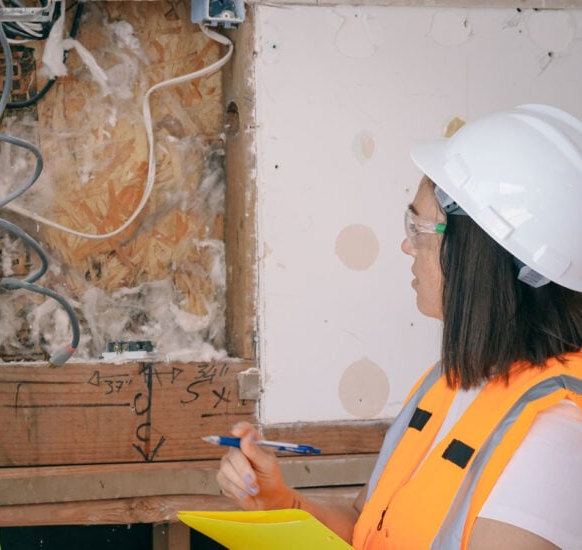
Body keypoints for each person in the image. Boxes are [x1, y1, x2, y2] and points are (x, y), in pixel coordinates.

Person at [216, 104, 582, 549]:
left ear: (477, 254)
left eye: (419, 227)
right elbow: (366, 526)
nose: (407, 245)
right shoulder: (451, 381)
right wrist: (281, 505)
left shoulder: (556, 439)